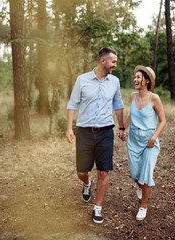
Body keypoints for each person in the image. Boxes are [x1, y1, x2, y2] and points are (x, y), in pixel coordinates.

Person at [66, 47, 126, 224]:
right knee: (81, 171)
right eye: (113, 61)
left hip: (106, 132)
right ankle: (86, 183)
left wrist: (122, 127)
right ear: (103, 61)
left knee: (103, 171)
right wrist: (69, 128)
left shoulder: (114, 81)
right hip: (84, 132)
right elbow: (72, 103)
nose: (115, 65)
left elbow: (118, 105)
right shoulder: (82, 80)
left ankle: (98, 207)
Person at [123, 65, 166, 221]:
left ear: (147, 80)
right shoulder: (133, 96)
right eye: (135, 77)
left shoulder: (154, 98)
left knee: (146, 174)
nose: (135, 79)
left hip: (149, 142)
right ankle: (141, 186)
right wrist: (122, 127)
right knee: (135, 174)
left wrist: (154, 137)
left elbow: (163, 121)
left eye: (139, 77)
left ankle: (143, 206)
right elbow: (131, 116)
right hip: (133, 140)